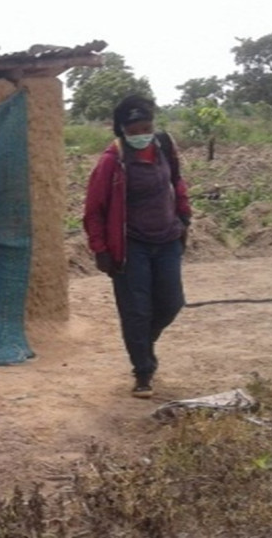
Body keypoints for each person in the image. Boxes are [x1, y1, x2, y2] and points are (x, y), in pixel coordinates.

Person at [83, 95, 192, 398]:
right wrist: (100, 249)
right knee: (136, 311)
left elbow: (177, 182)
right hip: (131, 246)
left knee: (172, 302)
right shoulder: (112, 161)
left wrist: (184, 216)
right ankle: (143, 371)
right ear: (122, 131)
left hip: (168, 238)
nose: (142, 134)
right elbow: (94, 210)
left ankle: (145, 342)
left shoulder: (163, 147)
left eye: (147, 127)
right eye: (134, 130)